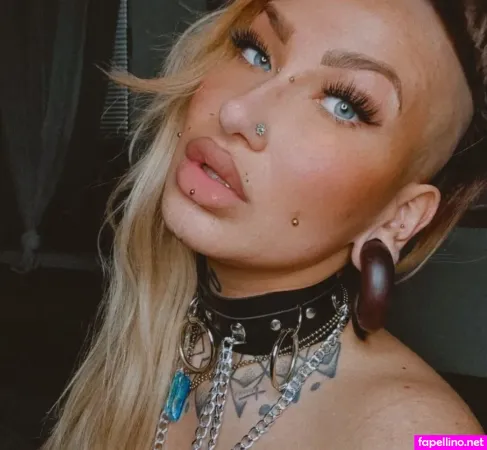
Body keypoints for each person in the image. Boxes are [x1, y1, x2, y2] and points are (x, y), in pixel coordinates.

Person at [42, 0, 487, 449]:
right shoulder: (150, 332)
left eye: (343, 105)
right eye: (256, 52)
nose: (237, 111)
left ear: (398, 217)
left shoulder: (427, 435)